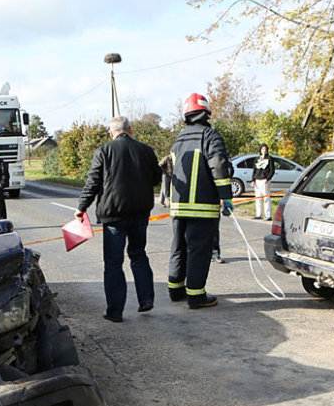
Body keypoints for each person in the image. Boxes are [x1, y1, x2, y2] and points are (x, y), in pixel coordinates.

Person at [75, 116, 162, 323]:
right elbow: (157, 178)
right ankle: (146, 299)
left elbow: (93, 182)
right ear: (130, 130)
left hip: (113, 215)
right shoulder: (146, 150)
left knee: (114, 263)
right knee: (139, 254)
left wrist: (82, 207)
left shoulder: (104, 151)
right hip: (140, 213)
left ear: (110, 132)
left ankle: (115, 311)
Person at [168, 93, 234, 309]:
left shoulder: (179, 139)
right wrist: (226, 197)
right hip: (203, 206)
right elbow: (219, 166)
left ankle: (175, 290)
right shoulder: (210, 136)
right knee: (199, 250)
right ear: (206, 113)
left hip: (178, 206)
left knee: (179, 247)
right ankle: (196, 296)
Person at [252, 143, 276, 220]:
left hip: (265, 181)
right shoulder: (257, 159)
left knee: (266, 198)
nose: (264, 151)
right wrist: (253, 180)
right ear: (260, 150)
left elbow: (272, 170)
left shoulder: (269, 158)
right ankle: (258, 214)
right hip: (257, 180)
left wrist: (267, 178)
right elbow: (254, 170)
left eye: (265, 149)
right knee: (258, 198)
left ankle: (268, 215)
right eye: (262, 149)